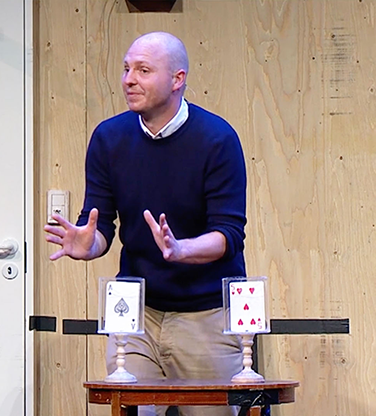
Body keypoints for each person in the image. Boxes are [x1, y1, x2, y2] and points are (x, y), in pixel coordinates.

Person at [44, 32, 247, 416]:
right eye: (126, 69)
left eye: (143, 70)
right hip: (136, 314)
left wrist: (182, 249)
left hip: (205, 313)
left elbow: (229, 235)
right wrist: (89, 244)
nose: (129, 80)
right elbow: (101, 224)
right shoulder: (109, 138)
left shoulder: (217, 139)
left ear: (177, 79)